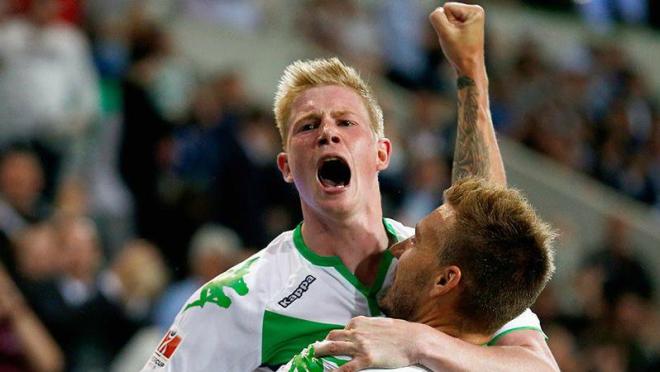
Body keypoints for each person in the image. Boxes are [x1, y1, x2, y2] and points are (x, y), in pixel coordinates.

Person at [142, 3, 558, 371]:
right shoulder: (240, 299)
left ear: (382, 154)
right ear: (287, 168)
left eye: (346, 122)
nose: (327, 133)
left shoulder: (434, 257)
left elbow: (534, 363)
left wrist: (416, 342)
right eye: (307, 126)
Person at [280, 177, 556, 371]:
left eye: (417, 240)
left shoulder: (353, 360)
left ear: (445, 280)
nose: (398, 247)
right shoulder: (501, 299)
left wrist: (417, 341)